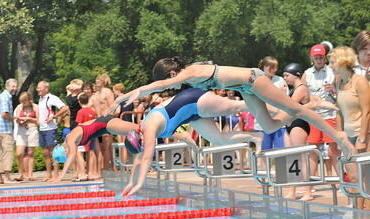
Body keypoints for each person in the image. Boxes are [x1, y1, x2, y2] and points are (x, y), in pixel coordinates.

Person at [112, 57, 355, 159]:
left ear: (172, 72)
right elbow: (166, 83)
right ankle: (307, 104)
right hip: (245, 89)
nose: (174, 83)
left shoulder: (190, 72)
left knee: (296, 110)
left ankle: (339, 135)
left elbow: (162, 84)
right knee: (270, 125)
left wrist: (131, 93)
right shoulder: (189, 74)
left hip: (253, 80)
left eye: (171, 78)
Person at [121, 88, 266, 196]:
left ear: (140, 140)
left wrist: (140, 183)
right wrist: (131, 182)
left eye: (143, 146)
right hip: (192, 115)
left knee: (237, 106)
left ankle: (270, 103)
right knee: (220, 140)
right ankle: (255, 137)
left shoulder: (149, 128)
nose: (145, 147)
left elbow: (146, 158)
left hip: (194, 100)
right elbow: (140, 159)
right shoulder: (143, 133)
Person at [330, 46, 370, 209]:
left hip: (365, 135)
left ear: (342, 62)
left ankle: (364, 218)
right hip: (348, 136)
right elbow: (339, 110)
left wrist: (361, 138)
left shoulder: (360, 81)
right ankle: (358, 216)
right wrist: (340, 136)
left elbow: (367, 111)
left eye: (332, 62)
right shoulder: (339, 82)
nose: (330, 66)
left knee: (367, 179)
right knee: (354, 179)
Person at [51, 115, 140, 182]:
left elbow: (72, 155)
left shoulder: (70, 139)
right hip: (105, 128)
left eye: (66, 155)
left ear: (64, 152)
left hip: (106, 123)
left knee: (140, 129)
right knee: (138, 132)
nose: (68, 155)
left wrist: (61, 175)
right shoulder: (70, 140)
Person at [302, 44, 340, 177]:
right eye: (316, 57)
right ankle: (309, 187)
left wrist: (334, 90)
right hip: (314, 116)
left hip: (330, 115)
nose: (319, 60)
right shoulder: (306, 74)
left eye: (321, 57)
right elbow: (302, 96)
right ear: (312, 57)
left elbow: (342, 95)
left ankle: (343, 182)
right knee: (313, 151)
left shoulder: (333, 71)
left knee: (333, 151)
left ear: (325, 57)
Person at [281, 63, 313, 201]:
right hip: (290, 124)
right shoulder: (293, 89)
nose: (285, 78)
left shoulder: (301, 88)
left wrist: (281, 95)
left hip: (299, 124)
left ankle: (307, 191)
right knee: (291, 158)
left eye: (287, 75)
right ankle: (292, 190)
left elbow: (289, 105)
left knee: (301, 158)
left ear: (297, 75)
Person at [36, 80, 69, 181]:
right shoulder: (41, 99)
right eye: (37, 87)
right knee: (45, 153)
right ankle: (48, 174)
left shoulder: (52, 98)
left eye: (39, 88)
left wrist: (54, 117)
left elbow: (65, 108)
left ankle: (56, 174)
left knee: (54, 152)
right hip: (42, 128)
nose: (37, 89)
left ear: (46, 89)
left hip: (51, 129)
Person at [0, 79, 18, 184]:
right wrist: (15, 118)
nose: (14, 88)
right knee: (8, 152)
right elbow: (4, 114)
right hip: (5, 129)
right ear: (7, 86)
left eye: (15, 86)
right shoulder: (5, 97)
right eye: (12, 86)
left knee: (1, 152)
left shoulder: (3, 96)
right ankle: (7, 177)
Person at [90, 74, 115, 170]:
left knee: (107, 145)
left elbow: (112, 106)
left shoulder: (107, 92)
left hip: (106, 120)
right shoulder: (96, 94)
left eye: (99, 79)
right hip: (98, 120)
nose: (97, 81)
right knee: (101, 146)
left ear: (104, 81)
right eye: (96, 79)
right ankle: (104, 167)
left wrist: (109, 118)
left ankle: (109, 167)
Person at [14, 92, 39, 181]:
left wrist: (30, 119)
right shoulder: (19, 107)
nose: (23, 103)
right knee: (19, 153)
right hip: (22, 130)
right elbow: (16, 119)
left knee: (30, 153)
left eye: (25, 101)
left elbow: (38, 121)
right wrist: (20, 121)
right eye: (22, 102)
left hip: (32, 129)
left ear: (28, 100)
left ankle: (30, 174)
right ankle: (21, 172)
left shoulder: (35, 107)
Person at [74, 93, 98, 181]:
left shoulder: (80, 112)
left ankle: (83, 174)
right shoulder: (93, 111)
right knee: (91, 152)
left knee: (79, 153)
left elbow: (79, 125)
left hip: (83, 135)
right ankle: (92, 173)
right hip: (92, 134)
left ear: (79, 102)